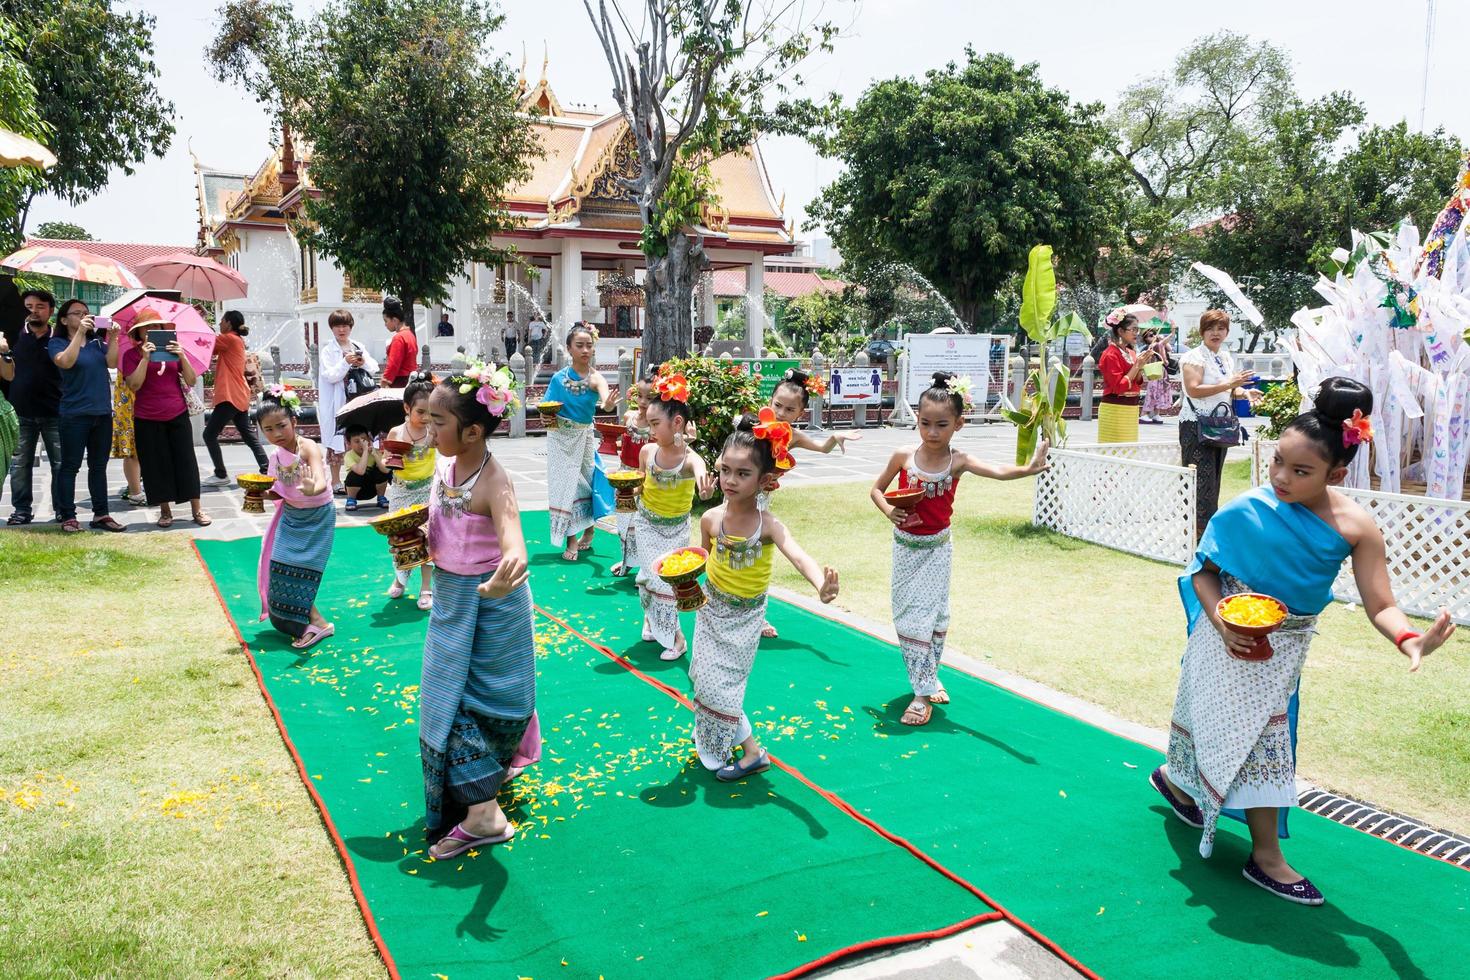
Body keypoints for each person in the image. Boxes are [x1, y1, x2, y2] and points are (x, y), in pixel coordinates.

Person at [1152, 377, 1455, 905]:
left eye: (1301, 471)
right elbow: (1202, 572)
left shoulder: (1356, 527)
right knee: (1209, 716)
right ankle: (1239, 834)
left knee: (1266, 738)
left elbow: (1381, 603)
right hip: (1222, 635)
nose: (1282, 478)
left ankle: (1201, 801)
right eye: (1277, 463)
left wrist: (1409, 638)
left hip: (1284, 649)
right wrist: (1224, 627)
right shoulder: (1248, 507)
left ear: (1336, 473)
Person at [870, 372, 1049, 726]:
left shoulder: (958, 461)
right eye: (925, 423)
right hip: (905, 549)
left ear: (958, 424)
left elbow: (996, 471)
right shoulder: (903, 455)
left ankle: (922, 693)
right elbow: (876, 490)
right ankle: (926, 679)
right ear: (916, 420)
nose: (932, 432)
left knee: (934, 617)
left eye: (941, 424)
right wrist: (890, 510)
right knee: (908, 617)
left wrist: (1028, 469)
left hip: (937, 549)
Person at [419, 365, 538, 860]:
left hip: (493, 606)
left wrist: (510, 567)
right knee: (442, 697)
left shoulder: (495, 479)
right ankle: (480, 793)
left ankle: (484, 813)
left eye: (437, 422)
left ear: (472, 431)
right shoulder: (446, 468)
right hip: (451, 602)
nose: (429, 432)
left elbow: (514, 543)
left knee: (481, 701)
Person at [690, 417, 839, 780]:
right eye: (725, 470)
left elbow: (799, 555)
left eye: (742, 474)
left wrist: (822, 585)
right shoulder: (710, 518)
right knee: (700, 676)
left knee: (723, 685)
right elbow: (699, 559)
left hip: (746, 618)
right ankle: (734, 742)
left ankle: (753, 751)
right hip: (711, 610)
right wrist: (683, 584)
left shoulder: (767, 524)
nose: (730, 480)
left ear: (764, 479)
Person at [753, 368, 862, 638]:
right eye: (777, 405)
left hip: (762, 503)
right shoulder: (753, 427)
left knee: (760, 559)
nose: (781, 413)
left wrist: (834, 438)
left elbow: (823, 448)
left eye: (790, 410)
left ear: (800, 414)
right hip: (737, 499)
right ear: (769, 402)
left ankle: (758, 615)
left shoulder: (794, 437)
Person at [631, 371, 715, 660]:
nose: (651, 430)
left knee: (665, 582)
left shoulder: (690, 460)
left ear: (676, 422)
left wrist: (704, 490)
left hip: (676, 530)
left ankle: (678, 639)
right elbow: (640, 485)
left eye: (656, 424)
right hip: (646, 525)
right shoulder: (647, 452)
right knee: (647, 579)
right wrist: (630, 490)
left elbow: (701, 470)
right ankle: (654, 622)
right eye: (650, 423)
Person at [256, 385, 336, 649]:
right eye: (268, 429)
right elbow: (277, 492)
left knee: (302, 573)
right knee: (278, 568)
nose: (276, 434)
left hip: (318, 517)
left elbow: (321, 480)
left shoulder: (308, 447)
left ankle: (319, 624)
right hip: (290, 516)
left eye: (281, 425)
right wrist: (258, 495)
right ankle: (312, 621)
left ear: (294, 420)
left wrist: (315, 487)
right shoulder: (275, 457)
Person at [120, 309, 210, 528]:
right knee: (155, 464)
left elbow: (190, 380)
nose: (154, 331)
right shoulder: (131, 355)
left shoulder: (173, 351)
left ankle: (197, 510)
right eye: (148, 328)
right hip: (146, 416)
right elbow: (134, 385)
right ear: (138, 333)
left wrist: (182, 355)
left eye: (158, 327)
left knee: (186, 461)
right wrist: (145, 359)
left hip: (176, 412)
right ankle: (165, 511)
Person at [1179, 309, 1262, 538]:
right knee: (1199, 481)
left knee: (1213, 479)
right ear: (1202, 331)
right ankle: (1195, 533)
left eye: (1221, 328)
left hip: (1218, 425)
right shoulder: (1194, 357)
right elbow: (1194, 390)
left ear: (1227, 331)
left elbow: (1227, 387)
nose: (1216, 333)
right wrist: (1230, 384)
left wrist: (1244, 393)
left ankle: (1207, 531)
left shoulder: (1224, 356)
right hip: (1195, 424)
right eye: (1210, 328)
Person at [48, 299, 124, 532]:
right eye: (77, 313)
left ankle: (101, 514)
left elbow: (112, 362)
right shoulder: (57, 342)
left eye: (86, 313)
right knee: (70, 466)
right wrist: (79, 333)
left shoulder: (96, 342)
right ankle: (69, 516)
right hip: (74, 414)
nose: (83, 316)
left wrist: (113, 338)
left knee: (98, 466)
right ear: (64, 319)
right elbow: (65, 362)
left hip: (101, 413)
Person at [543, 323, 615, 560]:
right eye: (579, 346)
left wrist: (608, 405)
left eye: (589, 346)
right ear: (569, 349)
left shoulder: (596, 378)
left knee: (586, 481)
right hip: (559, 438)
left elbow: (605, 400)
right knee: (567, 486)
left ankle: (590, 528)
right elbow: (546, 408)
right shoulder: (557, 379)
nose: (585, 350)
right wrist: (546, 416)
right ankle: (571, 540)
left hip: (583, 436)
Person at [1, 289, 63, 525]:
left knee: (60, 464)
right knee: (19, 465)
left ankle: (62, 509)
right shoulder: (11, 337)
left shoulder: (60, 338)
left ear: (50, 310)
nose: (34, 311)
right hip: (21, 412)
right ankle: (21, 510)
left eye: (40, 306)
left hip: (55, 411)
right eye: (29, 307)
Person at [383, 372, 438, 608]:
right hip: (401, 491)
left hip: (427, 489)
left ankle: (426, 587)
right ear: (407, 408)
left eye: (430, 412)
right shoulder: (397, 432)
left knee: (428, 539)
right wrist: (393, 457)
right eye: (420, 412)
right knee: (401, 539)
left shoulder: (434, 431)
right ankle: (400, 579)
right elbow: (386, 459)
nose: (426, 417)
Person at [203, 310, 269, 486]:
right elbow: (211, 346)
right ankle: (267, 469)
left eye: (222, 321)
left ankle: (221, 474)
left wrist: (201, 321)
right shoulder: (235, 340)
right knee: (248, 436)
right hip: (239, 395)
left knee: (209, 434)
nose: (219, 324)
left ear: (229, 323)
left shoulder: (230, 339)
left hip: (230, 395)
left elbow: (207, 342)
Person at [317, 309, 379, 495]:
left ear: (350, 327)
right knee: (336, 440)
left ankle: (364, 476)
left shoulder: (357, 345)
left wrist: (362, 363)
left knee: (360, 437)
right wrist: (345, 362)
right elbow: (330, 376)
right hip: (338, 401)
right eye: (337, 326)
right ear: (332, 328)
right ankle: (336, 481)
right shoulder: (328, 350)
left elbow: (374, 367)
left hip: (358, 399)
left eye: (344, 325)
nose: (341, 330)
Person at [1096, 309, 1157, 443]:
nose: (1137, 333)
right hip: (1115, 407)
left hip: (1131, 407)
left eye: (1137, 329)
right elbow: (1119, 387)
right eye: (1133, 329)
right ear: (1121, 331)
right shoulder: (1110, 354)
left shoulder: (1131, 352)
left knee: (1129, 450)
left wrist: (1141, 364)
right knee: (1113, 452)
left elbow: (1138, 381)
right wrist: (1136, 365)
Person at [111, 369, 145, 506]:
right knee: (132, 448)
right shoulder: (126, 352)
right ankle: (135, 492)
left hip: (150, 392)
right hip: (129, 396)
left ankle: (136, 486)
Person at [341, 424, 389, 512]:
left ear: (369, 440)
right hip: (357, 491)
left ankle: (381, 497)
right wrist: (366, 452)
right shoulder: (349, 455)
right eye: (357, 441)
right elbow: (360, 471)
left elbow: (385, 471)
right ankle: (351, 499)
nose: (361, 444)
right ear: (349, 443)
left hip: (373, 489)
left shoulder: (375, 451)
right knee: (354, 474)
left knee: (380, 471)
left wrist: (374, 454)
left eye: (364, 440)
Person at [1140, 327, 1175, 425]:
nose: (1153, 336)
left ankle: (1156, 413)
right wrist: (1171, 333)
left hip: (1161, 371)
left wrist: (1162, 337)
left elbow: (1169, 347)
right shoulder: (1154, 345)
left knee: (1160, 392)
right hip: (1155, 371)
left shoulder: (1158, 345)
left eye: (1154, 334)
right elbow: (1162, 343)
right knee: (1153, 392)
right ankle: (1144, 413)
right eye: (1150, 335)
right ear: (1146, 339)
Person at [382, 297, 418, 388]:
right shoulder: (410, 334)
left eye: (386, 321)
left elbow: (393, 363)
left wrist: (385, 380)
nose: (385, 324)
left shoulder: (399, 337)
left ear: (395, 320)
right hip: (411, 379)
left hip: (399, 381)